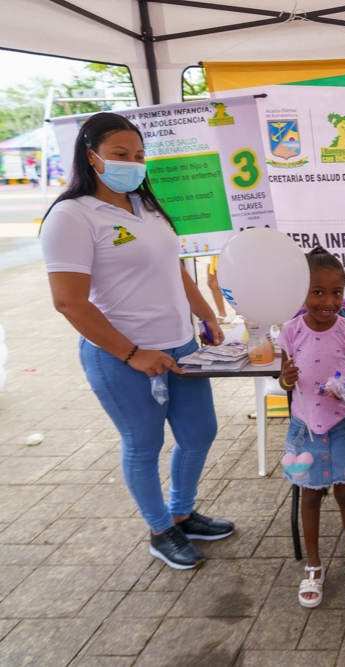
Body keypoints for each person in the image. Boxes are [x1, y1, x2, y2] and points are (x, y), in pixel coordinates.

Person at [40, 112, 230, 570]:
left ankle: (182, 512)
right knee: (143, 445)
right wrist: (132, 353)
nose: (132, 164)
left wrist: (205, 314)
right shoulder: (72, 215)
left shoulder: (144, 207)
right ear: (91, 157)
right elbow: (69, 302)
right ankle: (160, 529)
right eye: (120, 155)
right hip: (121, 356)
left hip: (180, 344)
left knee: (200, 432)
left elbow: (173, 267)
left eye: (139, 155)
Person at [277, 247, 345, 609]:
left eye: (336, 293)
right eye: (318, 292)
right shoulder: (290, 332)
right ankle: (313, 567)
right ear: (303, 292)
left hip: (342, 428)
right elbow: (287, 383)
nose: (328, 301)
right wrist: (285, 379)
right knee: (311, 497)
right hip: (306, 432)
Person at [206, 256, 231, 323]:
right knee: (211, 282)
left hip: (230, 250)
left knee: (234, 280)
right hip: (214, 252)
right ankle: (222, 314)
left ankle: (240, 315)